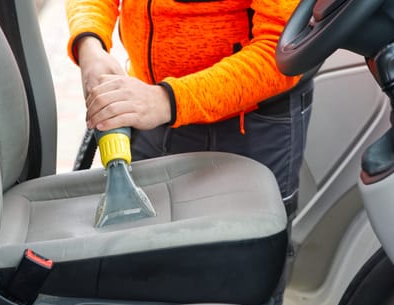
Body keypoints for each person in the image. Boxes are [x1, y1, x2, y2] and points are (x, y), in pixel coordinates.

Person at [65, 0, 314, 218]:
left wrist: (165, 100)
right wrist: (90, 44)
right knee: (143, 246)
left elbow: (282, 52)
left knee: (241, 259)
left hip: (245, 129)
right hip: (147, 111)